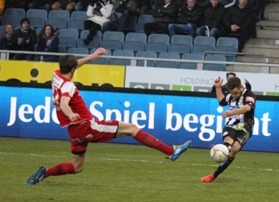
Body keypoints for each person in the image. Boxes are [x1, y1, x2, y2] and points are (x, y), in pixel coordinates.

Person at [26, 50, 192, 185]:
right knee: (132, 129)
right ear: (72, 70)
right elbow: (63, 103)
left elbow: (73, 66)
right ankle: (171, 151)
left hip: (74, 132)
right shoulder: (69, 86)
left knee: (77, 167)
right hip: (86, 126)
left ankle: (44, 174)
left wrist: (92, 56)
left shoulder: (56, 76)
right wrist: (70, 113)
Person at [200, 76, 254, 183]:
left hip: (245, 127)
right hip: (232, 125)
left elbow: (248, 107)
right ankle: (221, 149)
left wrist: (232, 112)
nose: (233, 95)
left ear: (241, 87)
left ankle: (214, 174)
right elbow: (221, 101)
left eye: (236, 93)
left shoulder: (249, 95)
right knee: (228, 142)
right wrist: (218, 87)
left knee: (234, 150)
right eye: (231, 93)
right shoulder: (230, 96)